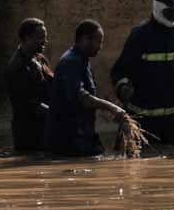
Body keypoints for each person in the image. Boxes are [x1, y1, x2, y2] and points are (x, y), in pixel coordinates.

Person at [110, 0, 174, 146]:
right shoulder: (139, 35)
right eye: (170, 12)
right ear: (158, 8)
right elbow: (119, 71)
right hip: (141, 121)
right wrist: (122, 88)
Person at [46, 20, 130, 158]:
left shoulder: (82, 60)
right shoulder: (71, 62)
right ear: (85, 39)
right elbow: (82, 97)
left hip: (82, 134)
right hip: (69, 139)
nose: (101, 46)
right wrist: (113, 108)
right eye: (99, 41)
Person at [3, 18, 52, 153]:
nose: (45, 41)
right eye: (41, 38)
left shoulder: (40, 59)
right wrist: (58, 114)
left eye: (45, 37)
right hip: (29, 134)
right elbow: (30, 105)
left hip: (45, 128)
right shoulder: (17, 67)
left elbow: (53, 85)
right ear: (27, 38)